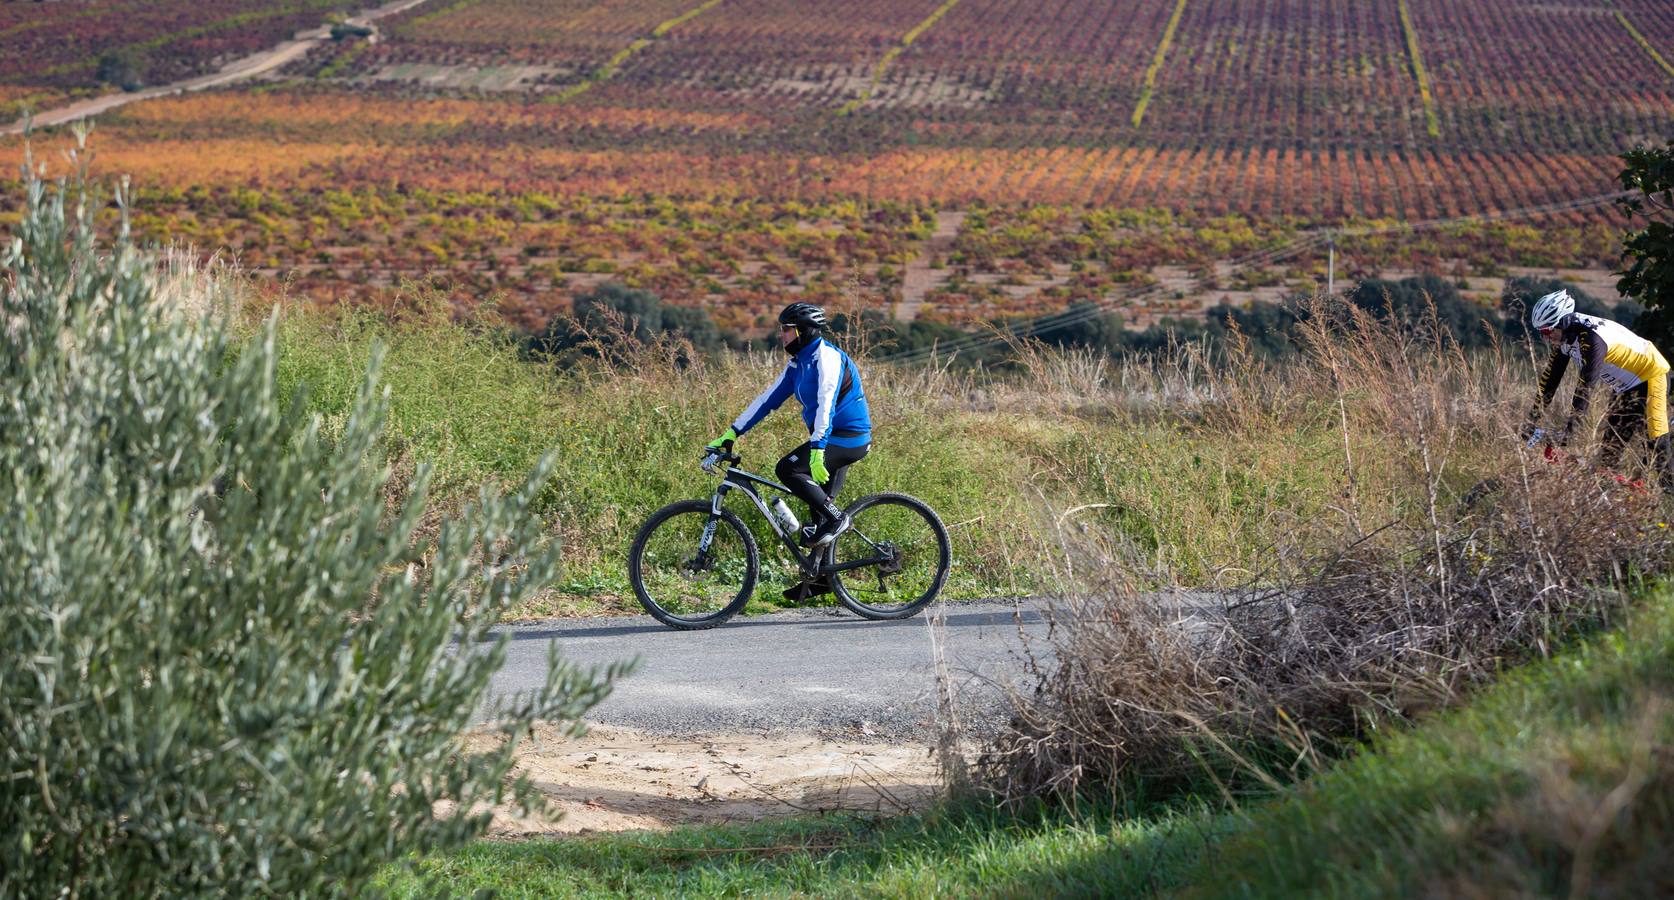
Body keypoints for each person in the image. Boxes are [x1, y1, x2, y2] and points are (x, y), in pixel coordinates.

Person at [706, 302, 872, 599]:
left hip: (847, 438)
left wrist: (819, 449)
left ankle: (839, 519)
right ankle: (820, 581)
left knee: (789, 469)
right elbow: (767, 400)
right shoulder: (799, 363)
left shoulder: (827, 358)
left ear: (804, 331)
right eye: (781, 329)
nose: (781, 335)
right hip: (829, 437)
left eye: (787, 329)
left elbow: (826, 404)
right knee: (815, 512)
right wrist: (732, 432)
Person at [1524, 288, 1672, 477]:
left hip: (1651, 374)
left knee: (1659, 455)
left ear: (1563, 322)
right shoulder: (1566, 337)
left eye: (1547, 331)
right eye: (1540, 333)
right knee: (1609, 457)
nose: (1545, 337)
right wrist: (1531, 419)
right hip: (1624, 387)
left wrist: (1568, 434)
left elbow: (1584, 390)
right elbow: (1549, 382)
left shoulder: (1593, 340)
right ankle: (1623, 500)